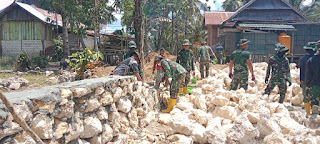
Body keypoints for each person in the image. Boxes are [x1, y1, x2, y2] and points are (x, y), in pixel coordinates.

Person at [299, 42, 316, 117]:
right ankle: (315, 113)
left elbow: (301, 71)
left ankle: (308, 113)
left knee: (306, 97)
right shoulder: (317, 58)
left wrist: (301, 80)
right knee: (315, 97)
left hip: (305, 80)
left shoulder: (302, 59)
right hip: (315, 81)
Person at [305, 40, 320, 115]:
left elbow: (308, 74)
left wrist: (307, 85)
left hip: (315, 85)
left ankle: (315, 121)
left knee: (314, 102)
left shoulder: (311, 60)